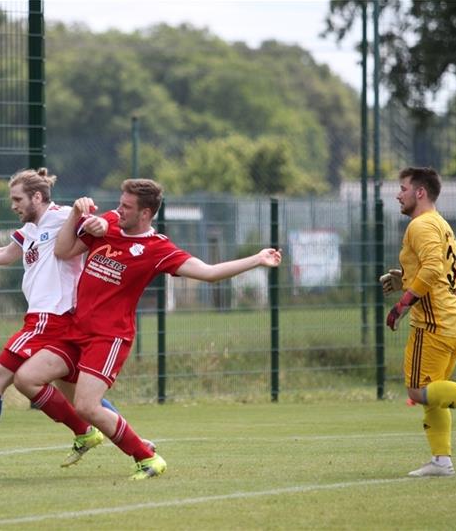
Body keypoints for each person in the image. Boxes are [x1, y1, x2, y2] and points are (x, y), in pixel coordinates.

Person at [14, 178, 282, 480]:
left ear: (145, 214)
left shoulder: (157, 249)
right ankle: (90, 435)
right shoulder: (109, 223)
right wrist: (78, 217)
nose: (119, 210)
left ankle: (147, 458)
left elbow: (209, 274)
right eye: (120, 202)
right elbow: (63, 251)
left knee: (87, 406)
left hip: (109, 337)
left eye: (127, 206)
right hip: (76, 330)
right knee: (26, 377)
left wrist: (257, 259)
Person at [0, 168, 119, 479]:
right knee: (74, 391)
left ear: (37, 197)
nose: (13, 205)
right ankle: (133, 442)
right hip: (45, 318)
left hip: (52, 318)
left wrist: (102, 218)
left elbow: (104, 226)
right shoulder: (30, 230)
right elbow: (4, 254)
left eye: (17, 199)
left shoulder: (63, 216)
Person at [381, 166, 456, 477]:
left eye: (403, 188)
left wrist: (401, 305)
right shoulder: (440, 224)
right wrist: (406, 280)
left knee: (418, 390)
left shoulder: (420, 225)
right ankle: (441, 461)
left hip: (436, 322)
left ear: (420, 192)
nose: (398, 194)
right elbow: (435, 270)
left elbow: (434, 268)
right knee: (433, 393)